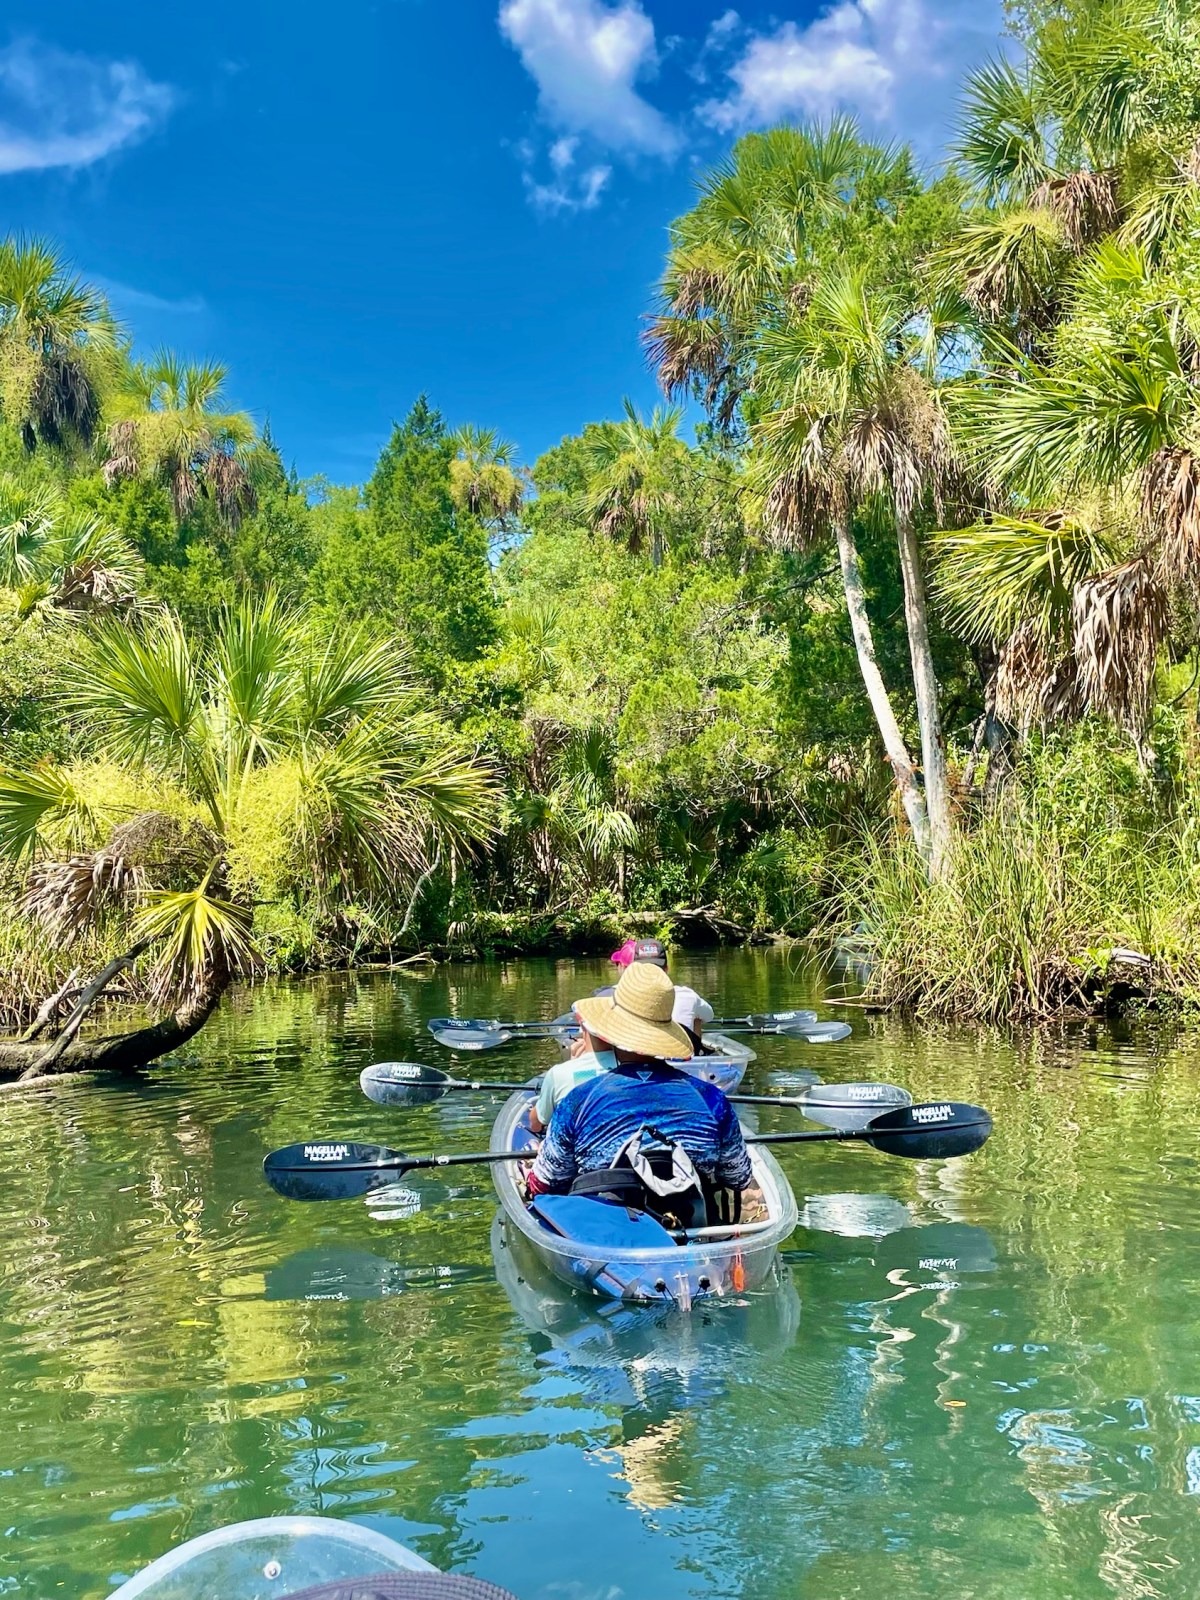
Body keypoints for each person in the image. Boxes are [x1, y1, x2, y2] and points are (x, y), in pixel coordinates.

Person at [526, 962, 752, 1211]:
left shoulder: (577, 1101)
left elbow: (544, 1183)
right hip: (690, 1230)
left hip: (605, 1238)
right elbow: (738, 1177)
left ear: (611, 1032)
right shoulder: (713, 1099)